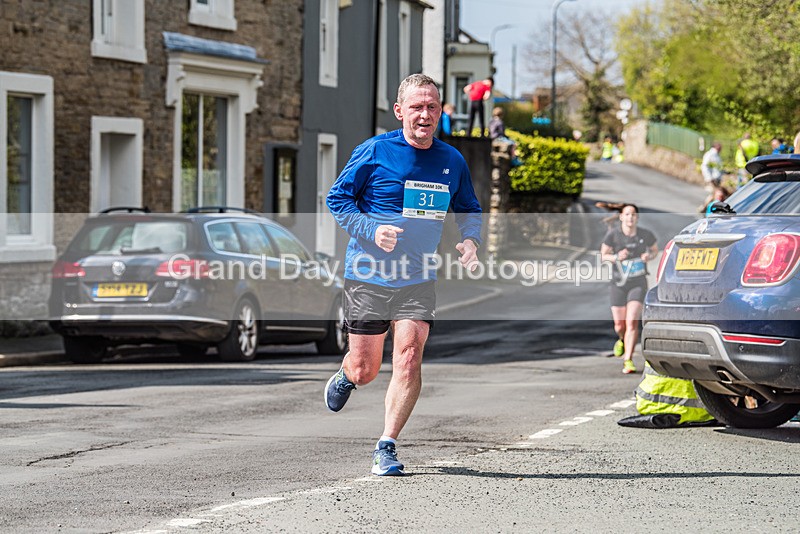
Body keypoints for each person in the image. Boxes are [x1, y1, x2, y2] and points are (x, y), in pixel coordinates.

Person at [325, 73, 483, 476]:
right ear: (400, 111)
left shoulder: (451, 160)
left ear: (440, 110)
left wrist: (470, 241)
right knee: (367, 368)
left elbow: (468, 206)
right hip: (368, 274)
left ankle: (387, 444)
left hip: (418, 276)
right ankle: (347, 373)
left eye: (432, 106)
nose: (425, 114)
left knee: (409, 356)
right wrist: (371, 229)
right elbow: (337, 199)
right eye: (416, 107)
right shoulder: (374, 151)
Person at [599, 204, 658, 374]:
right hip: (618, 283)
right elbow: (603, 255)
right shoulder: (613, 235)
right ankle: (621, 339)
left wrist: (649, 256)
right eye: (627, 214)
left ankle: (628, 359)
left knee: (632, 322)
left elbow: (654, 251)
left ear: (637, 217)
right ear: (621, 217)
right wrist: (617, 257)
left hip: (638, 282)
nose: (630, 217)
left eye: (633, 214)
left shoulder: (645, 234)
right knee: (620, 325)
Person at [699, 141, 724, 211]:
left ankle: (705, 208)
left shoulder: (717, 155)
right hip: (712, 178)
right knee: (713, 194)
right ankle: (703, 208)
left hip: (716, 178)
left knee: (714, 194)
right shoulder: (710, 154)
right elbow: (704, 166)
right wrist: (708, 177)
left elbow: (718, 168)